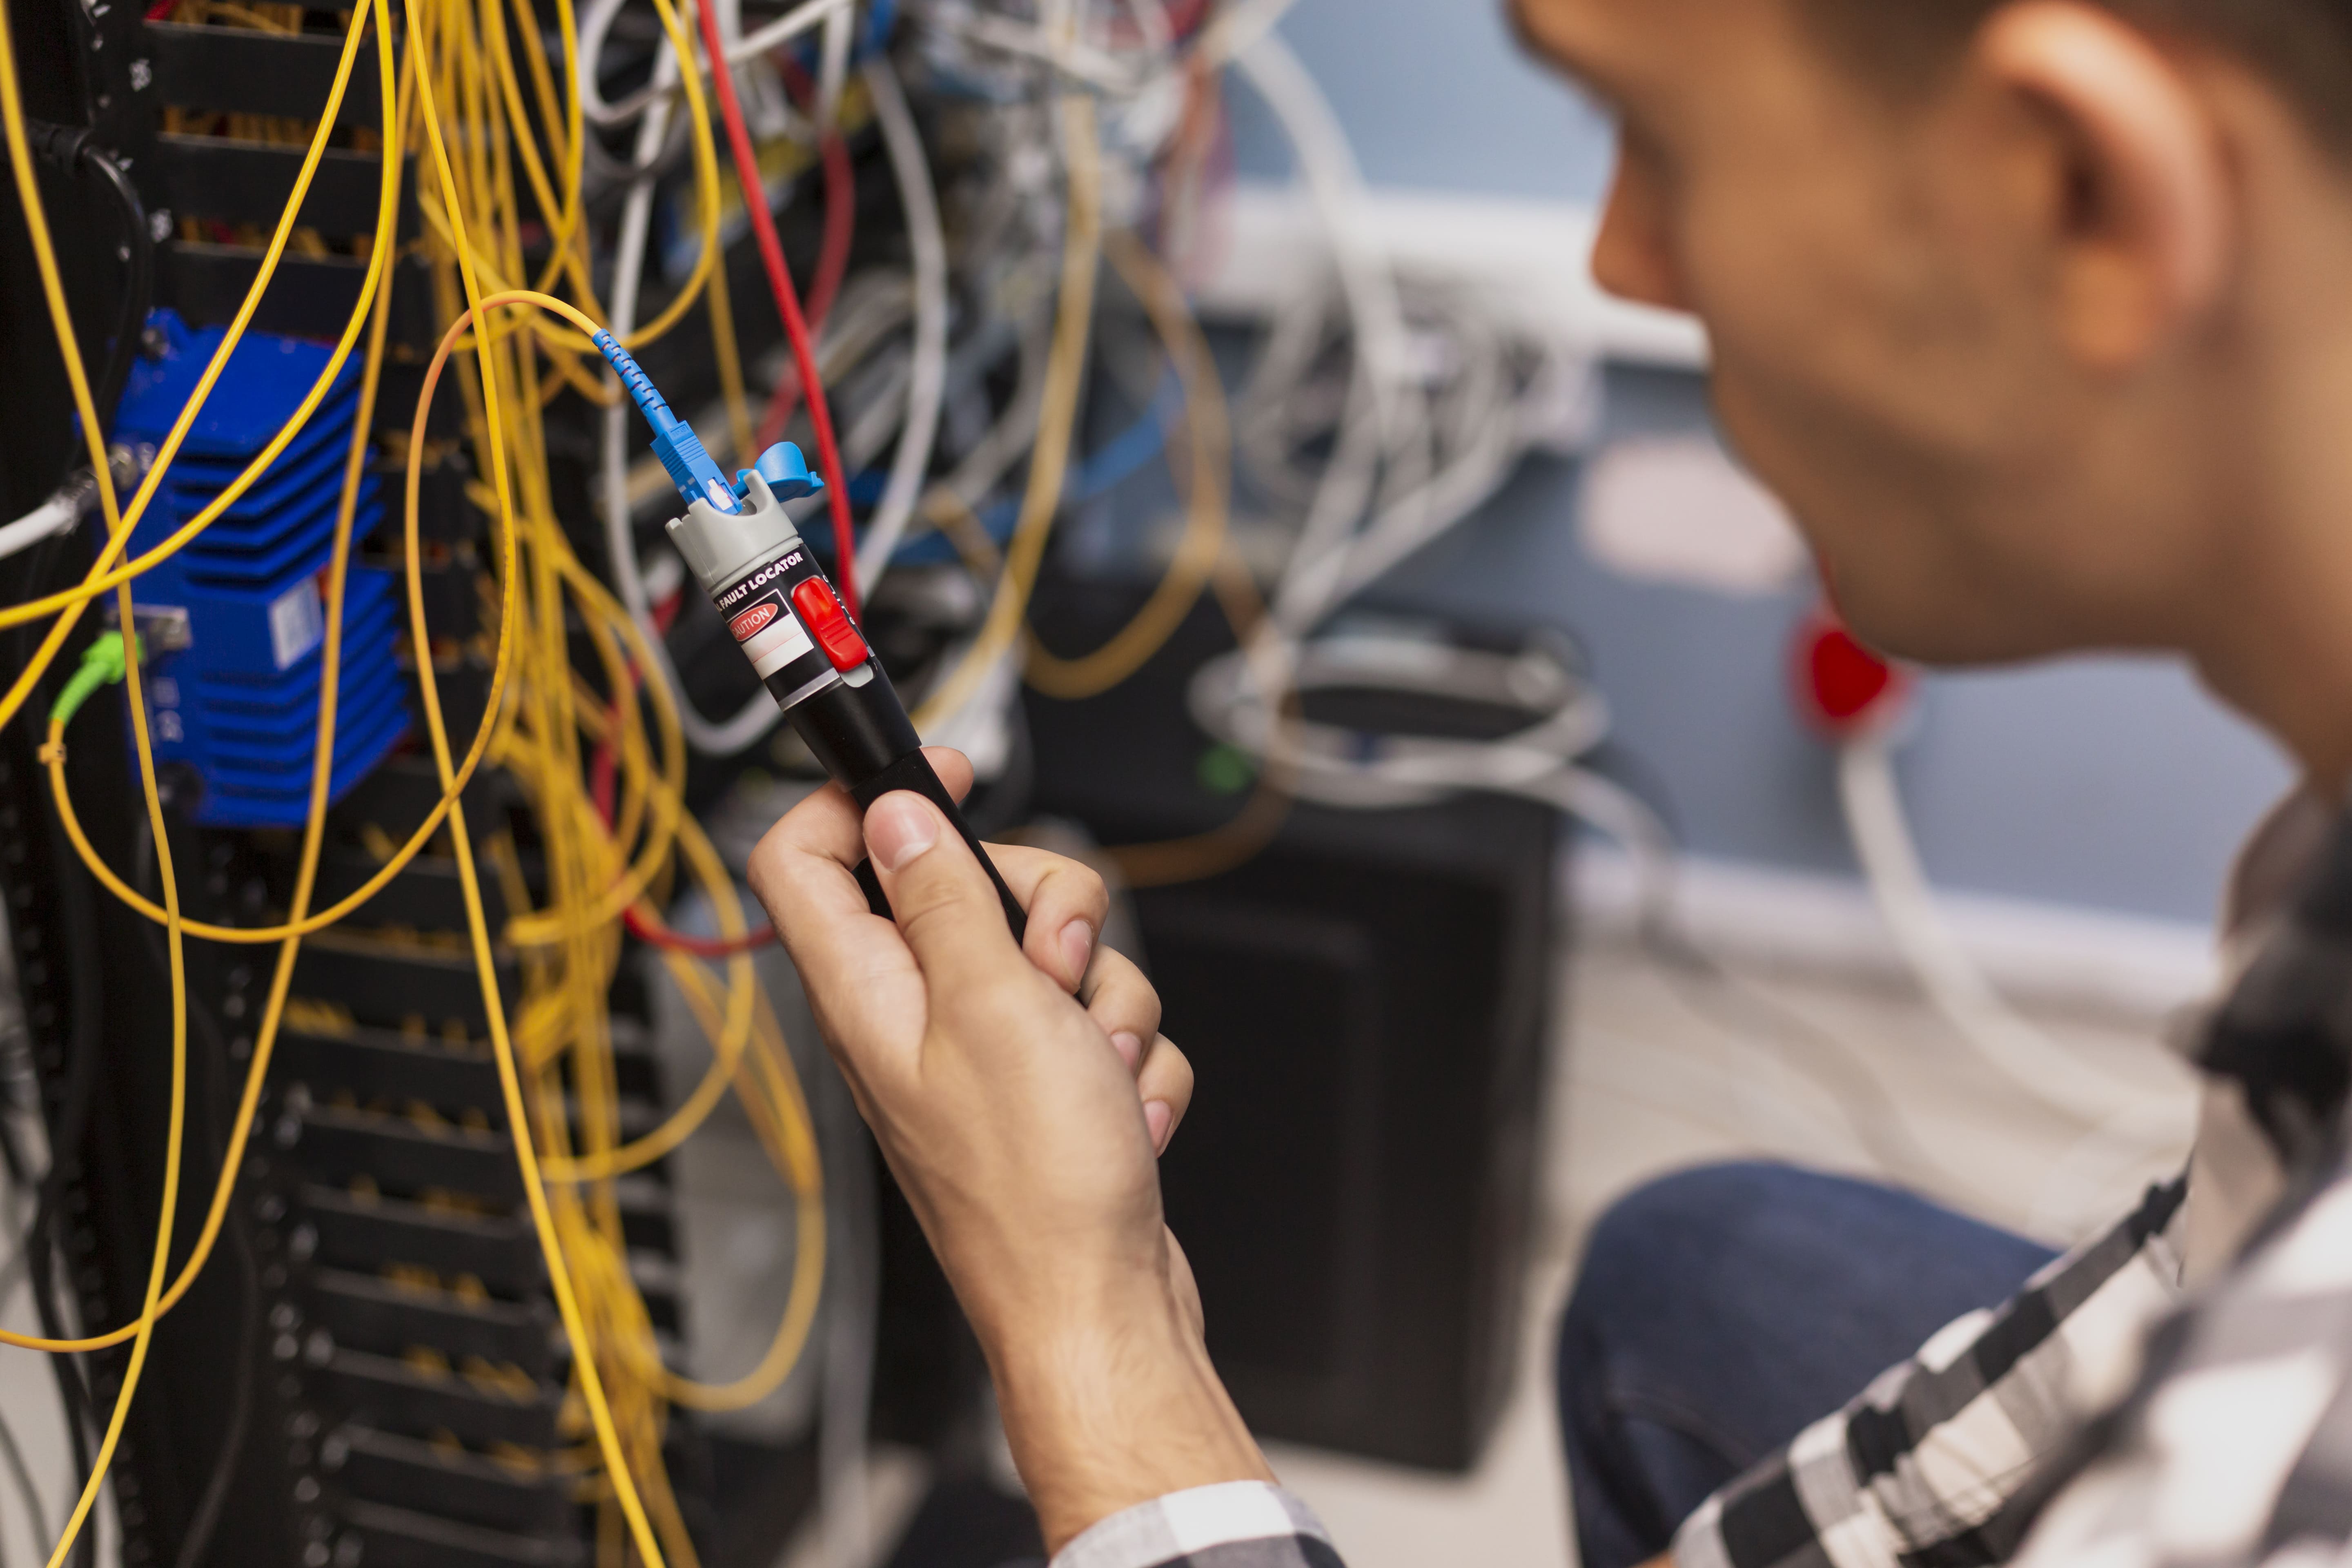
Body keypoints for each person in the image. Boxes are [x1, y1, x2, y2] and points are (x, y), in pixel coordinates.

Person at [746, 0, 2352, 1564]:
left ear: (2083, 197)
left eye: (1650, 138)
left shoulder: (2286, 1473)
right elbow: (2150, 1315)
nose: (1617, 266)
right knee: (1692, 1278)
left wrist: (1089, 1347)